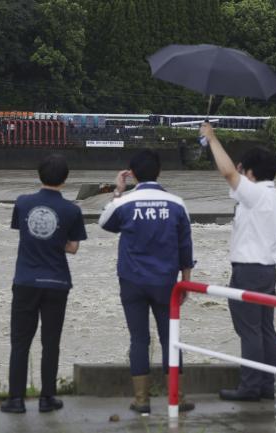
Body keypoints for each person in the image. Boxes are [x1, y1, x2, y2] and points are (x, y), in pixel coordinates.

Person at [99, 149, 194, 414]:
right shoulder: (176, 204)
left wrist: (118, 191)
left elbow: (104, 223)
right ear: (159, 172)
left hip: (132, 280)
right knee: (170, 338)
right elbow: (185, 245)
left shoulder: (125, 203)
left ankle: (141, 400)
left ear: (133, 174)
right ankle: (178, 397)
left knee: (139, 339)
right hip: (166, 281)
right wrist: (186, 280)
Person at [200, 123, 276, 401]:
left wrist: (211, 138)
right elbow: (234, 179)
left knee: (249, 331)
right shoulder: (274, 195)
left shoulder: (256, 193)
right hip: (267, 269)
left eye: (243, 170)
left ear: (250, 173)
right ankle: (268, 385)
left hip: (248, 270)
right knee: (264, 329)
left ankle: (249, 387)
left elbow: (227, 173)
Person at [0, 154, 87, 414]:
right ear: (66, 178)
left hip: (25, 280)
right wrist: (56, 239)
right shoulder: (72, 210)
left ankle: (15, 399)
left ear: (39, 175)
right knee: (51, 343)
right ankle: (47, 398)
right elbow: (73, 248)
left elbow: (24, 232)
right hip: (57, 282)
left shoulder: (23, 203)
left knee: (20, 342)